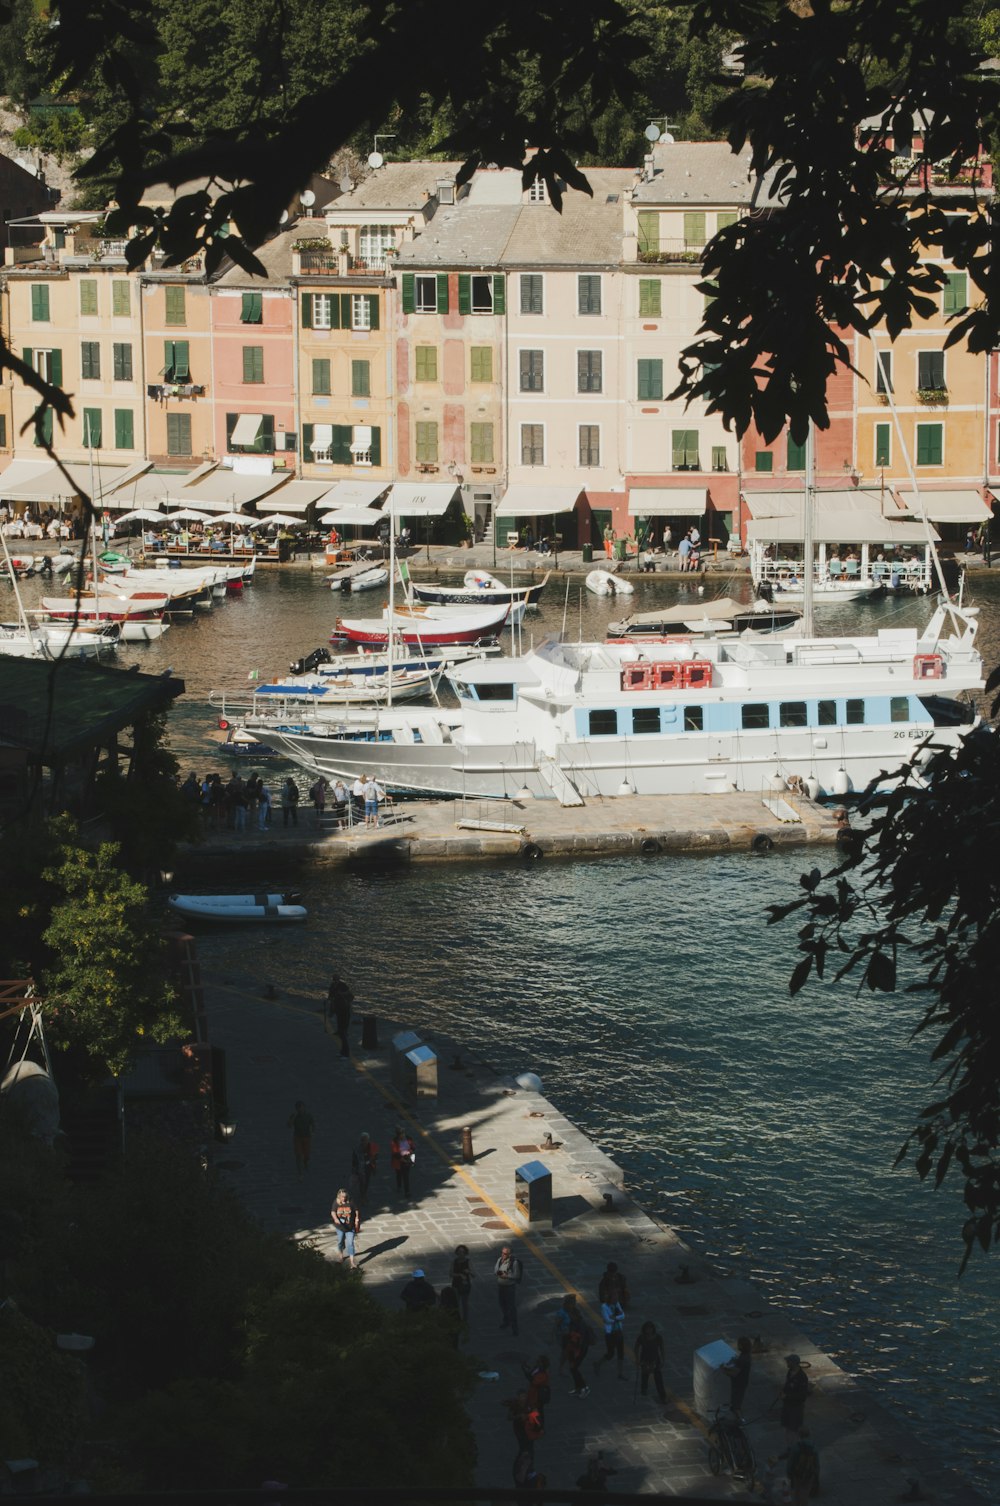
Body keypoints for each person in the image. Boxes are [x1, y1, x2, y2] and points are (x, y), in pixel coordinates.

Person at [594, 1295, 626, 1379]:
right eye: (614, 1298)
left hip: (619, 1331)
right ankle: (598, 1363)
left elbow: (623, 1316)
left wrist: (615, 1317)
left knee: (621, 1353)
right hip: (610, 1333)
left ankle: (620, 1373)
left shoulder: (617, 1304)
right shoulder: (604, 1307)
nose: (616, 1300)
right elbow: (607, 1320)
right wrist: (617, 1317)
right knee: (610, 1353)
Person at [634, 1320, 666, 1402]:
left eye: (650, 1328)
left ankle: (662, 1396)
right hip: (645, 1360)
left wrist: (663, 1360)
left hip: (655, 1360)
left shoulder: (658, 1337)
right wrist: (637, 1359)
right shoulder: (641, 1338)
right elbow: (636, 1348)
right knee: (645, 1375)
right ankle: (644, 1388)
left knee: (658, 1379)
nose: (648, 1330)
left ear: (653, 1329)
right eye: (646, 1329)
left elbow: (662, 1349)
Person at [563, 1312, 594, 1397]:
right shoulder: (573, 1323)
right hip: (572, 1349)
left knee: (574, 1369)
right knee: (572, 1369)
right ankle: (578, 1388)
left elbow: (579, 1340)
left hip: (579, 1350)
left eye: (572, 1315)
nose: (570, 1317)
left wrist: (571, 1336)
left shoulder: (581, 1325)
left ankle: (584, 1387)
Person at [780, 1354, 809, 1443]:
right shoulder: (790, 1372)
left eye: (788, 1362)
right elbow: (787, 1385)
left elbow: (802, 1396)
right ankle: (790, 1447)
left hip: (796, 1407)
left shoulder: (802, 1377)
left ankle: (794, 1447)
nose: (787, 1363)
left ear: (793, 1363)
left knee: (794, 1429)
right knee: (788, 1427)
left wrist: (787, 1396)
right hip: (787, 1405)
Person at [495, 1244, 523, 1336]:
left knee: (511, 1307)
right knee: (502, 1305)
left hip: (509, 1288)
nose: (503, 1255)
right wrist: (501, 1273)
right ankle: (506, 1321)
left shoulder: (514, 1263)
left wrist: (506, 1275)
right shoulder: (499, 1260)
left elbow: (516, 1275)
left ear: (510, 1254)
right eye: (502, 1253)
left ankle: (515, 1327)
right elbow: (496, 1271)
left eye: (505, 1254)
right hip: (501, 1287)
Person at [786, 1429, 820, 1505]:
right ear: (809, 1435)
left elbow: (790, 1463)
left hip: (797, 1474)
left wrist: (789, 1474)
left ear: (799, 1435)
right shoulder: (814, 1447)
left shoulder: (795, 1447)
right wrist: (816, 1474)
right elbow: (817, 1464)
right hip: (809, 1474)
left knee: (796, 1492)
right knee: (805, 1493)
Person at [330, 1187, 361, 1268]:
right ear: (339, 1197)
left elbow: (356, 1209)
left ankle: (352, 1262)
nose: (344, 1198)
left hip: (350, 1227)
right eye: (342, 1197)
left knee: (350, 1243)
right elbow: (333, 1212)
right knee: (340, 1242)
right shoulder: (336, 1202)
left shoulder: (350, 1201)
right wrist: (336, 1219)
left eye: (345, 1197)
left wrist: (357, 1218)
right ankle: (341, 1256)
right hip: (340, 1227)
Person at [723, 1335, 753, 1416]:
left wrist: (723, 1369)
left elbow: (734, 1373)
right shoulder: (746, 1355)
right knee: (736, 1402)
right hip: (742, 1382)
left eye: (739, 1344)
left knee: (736, 1405)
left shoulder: (742, 1359)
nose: (737, 1345)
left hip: (738, 1383)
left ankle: (740, 1420)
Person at [327, 972, 354, 1056]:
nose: (335, 981)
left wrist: (341, 994)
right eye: (334, 979)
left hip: (344, 1010)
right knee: (341, 1028)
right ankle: (343, 1051)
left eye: (336, 979)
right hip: (339, 1010)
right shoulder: (332, 986)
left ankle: (345, 1053)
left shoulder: (343, 986)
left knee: (343, 1033)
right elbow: (330, 997)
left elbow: (350, 995)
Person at [287, 1100, 314, 1177]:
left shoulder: (308, 1116)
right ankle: (300, 1173)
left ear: (304, 1108)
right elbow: (289, 1125)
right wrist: (294, 1117)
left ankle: (305, 1163)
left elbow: (312, 1124)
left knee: (307, 1154)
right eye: (298, 1108)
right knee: (298, 1155)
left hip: (307, 1138)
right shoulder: (294, 1116)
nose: (300, 1109)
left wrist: (312, 1131)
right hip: (297, 1138)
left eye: (301, 1107)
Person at [451, 1243, 473, 1324]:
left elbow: (473, 1274)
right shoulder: (454, 1262)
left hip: (465, 1285)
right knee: (456, 1302)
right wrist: (459, 1275)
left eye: (462, 1252)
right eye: (459, 1252)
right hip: (456, 1284)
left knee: (464, 1303)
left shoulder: (468, 1262)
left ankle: (465, 1320)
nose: (461, 1254)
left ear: (465, 1253)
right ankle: (457, 1319)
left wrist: (469, 1272)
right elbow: (451, 1274)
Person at [391, 1125, 415, 1196]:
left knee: (406, 1175)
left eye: (403, 1133)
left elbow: (413, 1147)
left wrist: (410, 1152)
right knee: (398, 1174)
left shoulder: (409, 1138)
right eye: (400, 1134)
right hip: (399, 1160)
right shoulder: (394, 1141)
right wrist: (402, 1159)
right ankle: (399, 1186)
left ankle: (407, 1191)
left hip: (407, 1158)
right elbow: (395, 1153)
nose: (402, 1136)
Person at [358, 1131, 378, 1198]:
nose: (364, 1141)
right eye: (363, 1140)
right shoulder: (358, 1148)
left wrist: (374, 1166)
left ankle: (364, 1193)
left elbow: (376, 1156)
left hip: (368, 1167)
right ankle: (362, 1194)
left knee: (366, 1181)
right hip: (361, 1168)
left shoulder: (372, 1146)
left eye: (366, 1140)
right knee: (361, 1182)